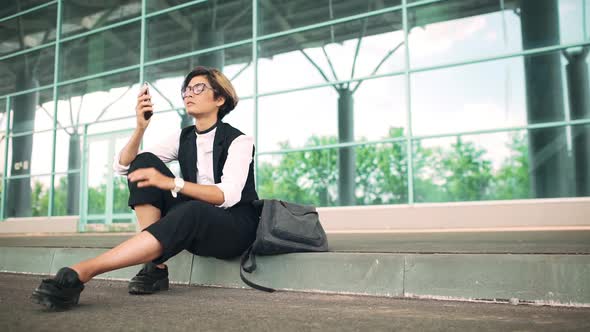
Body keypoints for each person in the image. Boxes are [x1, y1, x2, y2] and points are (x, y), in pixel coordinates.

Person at [32, 66, 259, 309]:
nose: (188, 94)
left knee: (194, 207)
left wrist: (174, 183)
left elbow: (227, 196)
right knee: (143, 162)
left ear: (220, 98)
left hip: (234, 229)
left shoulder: (239, 141)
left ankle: (85, 271)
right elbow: (124, 165)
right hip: (193, 224)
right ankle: (156, 268)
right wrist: (141, 127)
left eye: (198, 88)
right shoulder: (184, 137)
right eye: (186, 90)